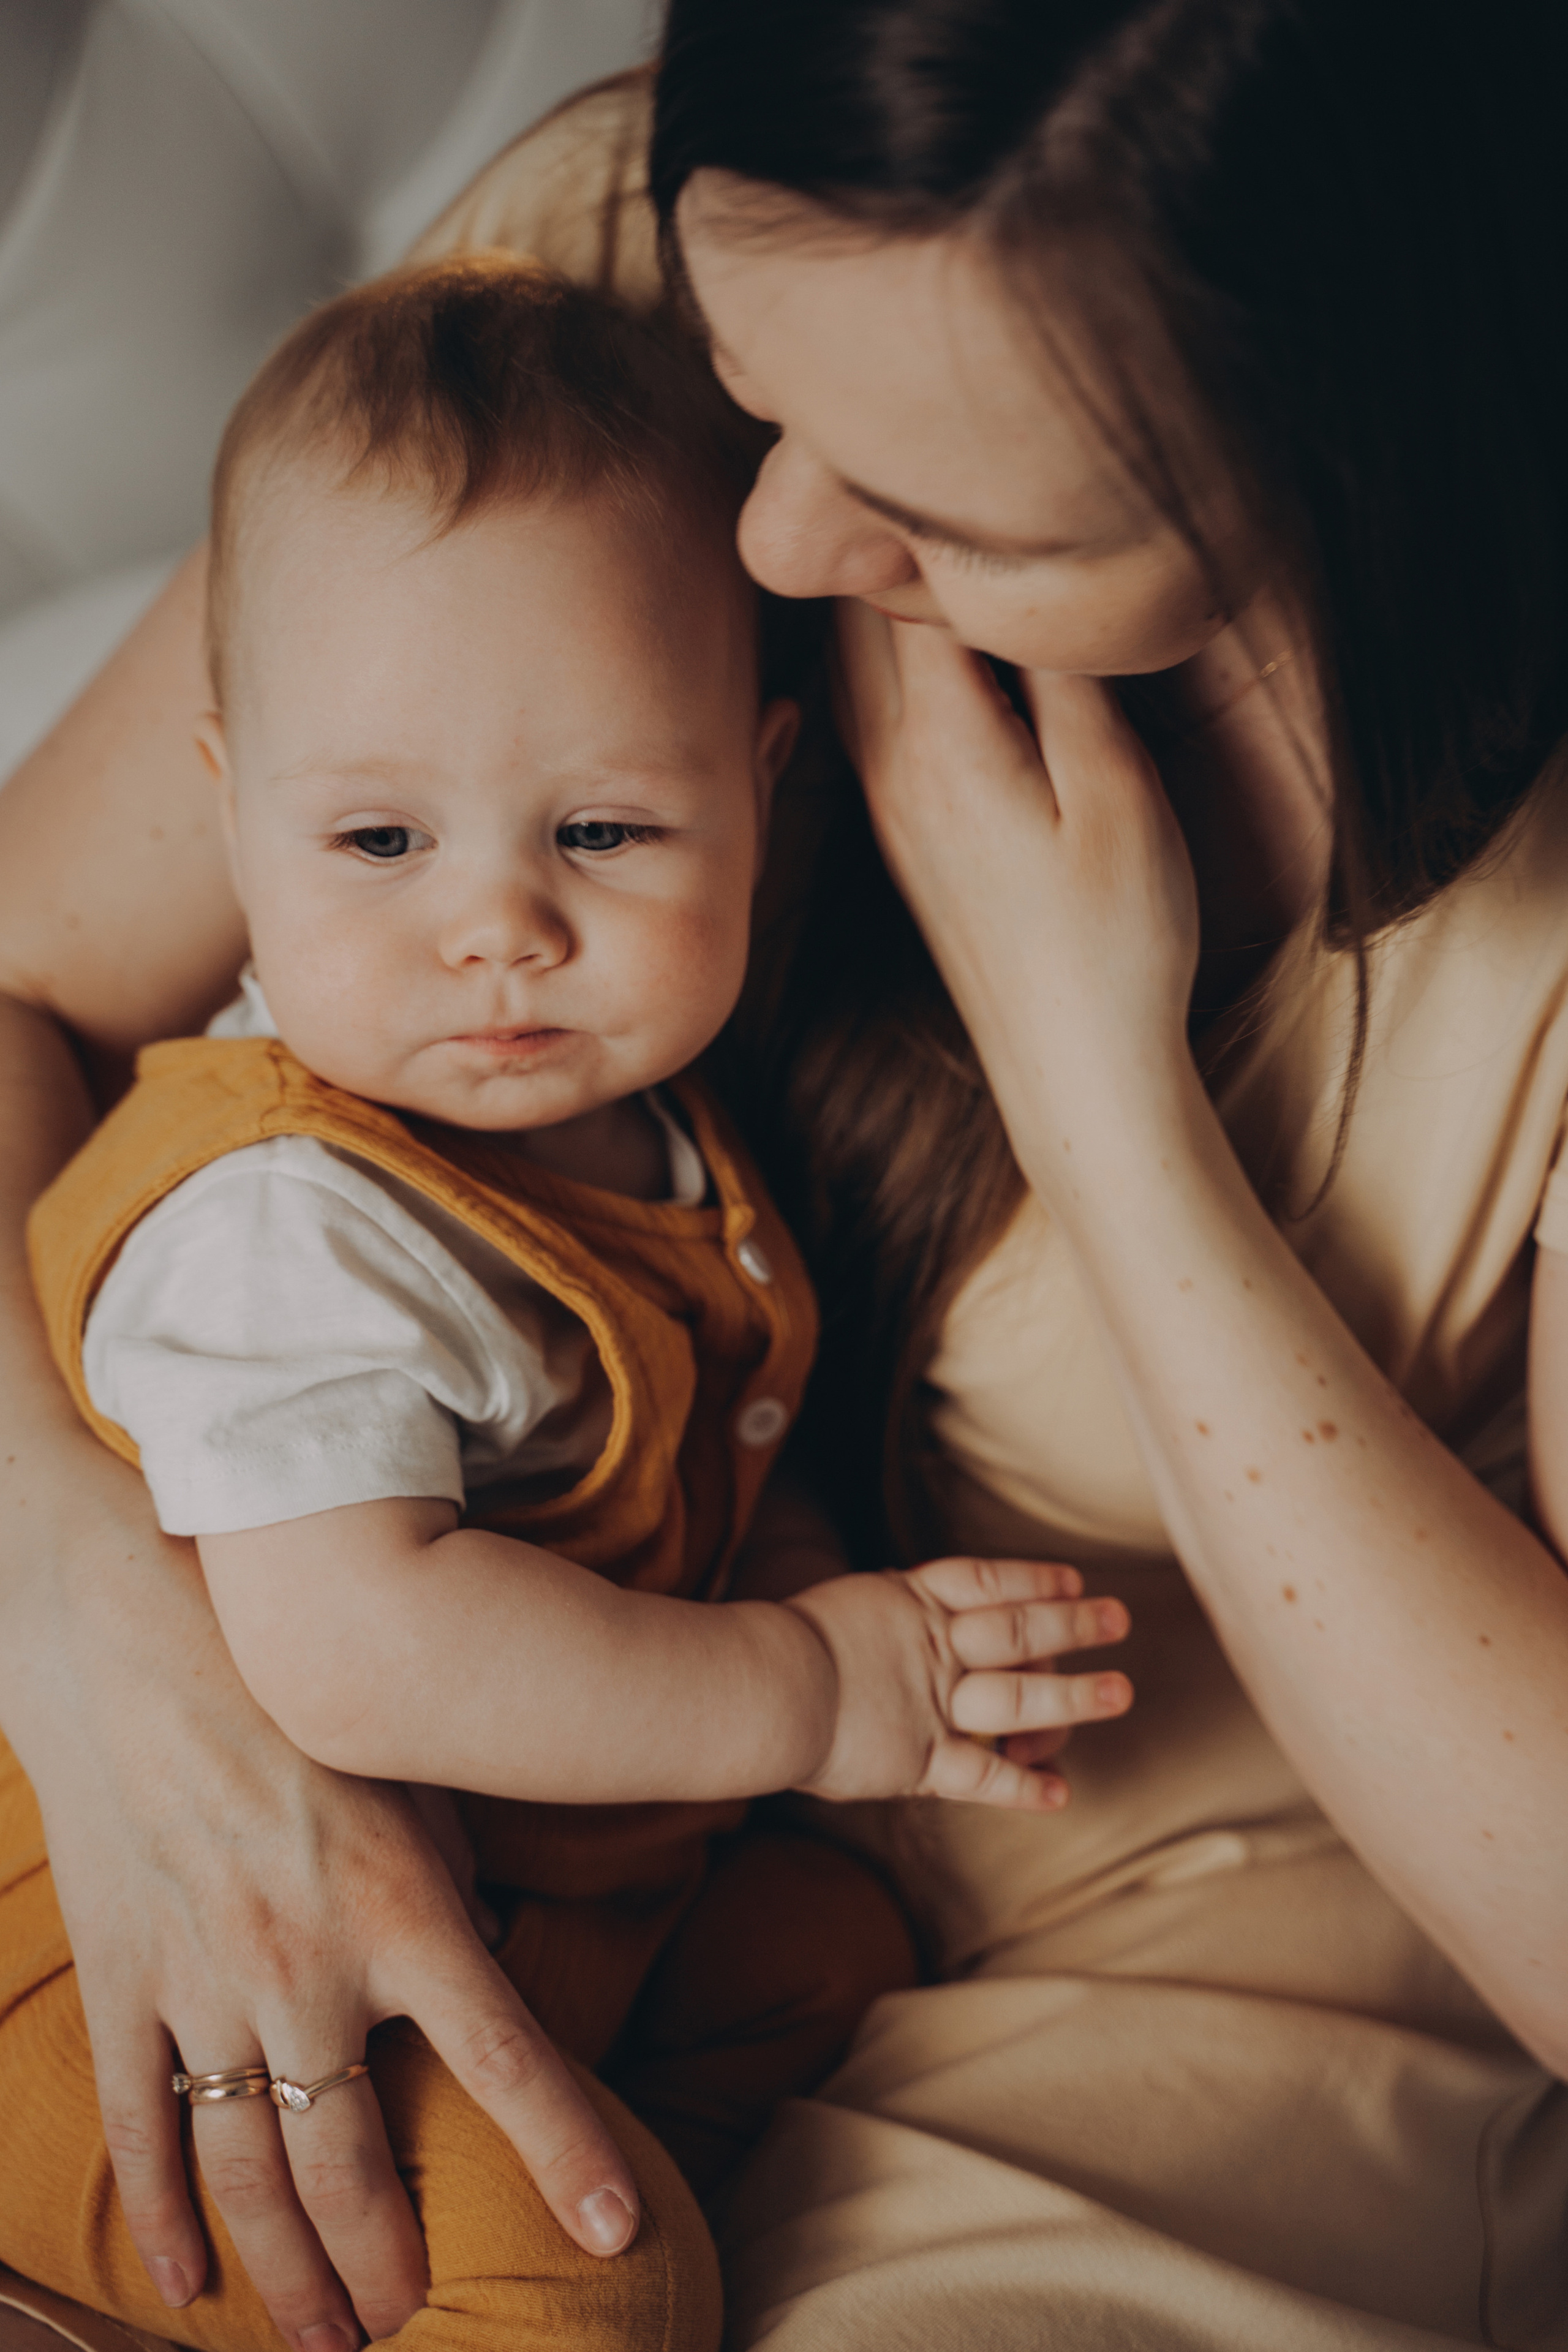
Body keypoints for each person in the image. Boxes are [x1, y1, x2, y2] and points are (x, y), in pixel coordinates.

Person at [1, 4, 1566, 2350]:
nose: (773, 536)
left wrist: (1100, 1099)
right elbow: (22, 986)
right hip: (556, 1743)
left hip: (1195, 1887)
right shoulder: (592, 317)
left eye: (957, 519)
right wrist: (103, 1643)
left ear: (1347, 453)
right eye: (755, 380)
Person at [27, 240, 1107, 2243]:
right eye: (377, 844)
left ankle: (656, 2153)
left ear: (761, 796)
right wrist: (802, 1688)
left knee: (833, 1946)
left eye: (604, 834)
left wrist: (855, 1628)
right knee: (573, 2294)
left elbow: (714, 1433)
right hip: (216, 1910)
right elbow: (360, 1652)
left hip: (571, 1858)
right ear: (228, 809)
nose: (498, 927)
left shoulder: (645, 1126)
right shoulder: (293, 1221)